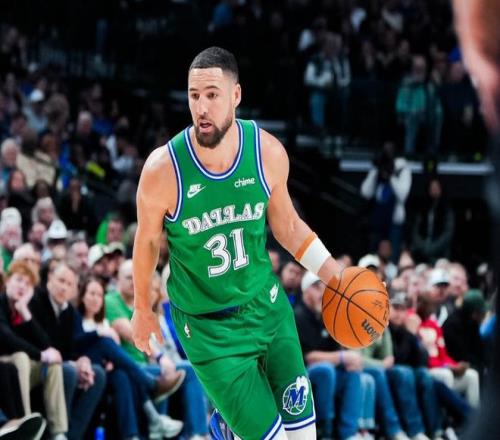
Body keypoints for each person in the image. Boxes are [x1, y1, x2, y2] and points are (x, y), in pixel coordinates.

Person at [131, 47, 351, 440]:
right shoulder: (163, 169)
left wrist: (336, 276)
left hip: (266, 307)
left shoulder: (266, 152)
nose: (201, 107)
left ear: (235, 95)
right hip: (208, 329)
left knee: (305, 436)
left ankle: (229, 430)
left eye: (212, 95)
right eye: (194, 95)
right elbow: (146, 242)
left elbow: (288, 227)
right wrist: (141, 307)